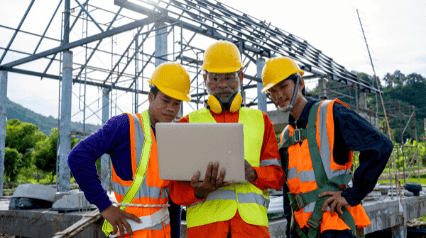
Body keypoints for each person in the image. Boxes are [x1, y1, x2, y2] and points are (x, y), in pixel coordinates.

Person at [261, 56, 393, 238]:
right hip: (301, 229)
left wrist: (352, 195)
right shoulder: (286, 135)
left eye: (283, 86)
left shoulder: (330, 112)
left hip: (334, 227)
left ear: (300, 83)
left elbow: (380, 145)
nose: (278, 96)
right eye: (272, 91)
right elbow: (289, 189)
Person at [169, 40, 285, 238]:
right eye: (214, 78)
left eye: (229, 78)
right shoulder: (187, 123)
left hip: (252, 231)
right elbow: (175, 192)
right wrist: (199, 191)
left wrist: (254, 173)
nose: (222, 85)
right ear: (205, 79)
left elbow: (277, 177)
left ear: (240, 77)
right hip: (207, 232)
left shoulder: (261, 121)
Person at [68, 62, 191, 238]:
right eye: (165, 100)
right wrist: (105, 207)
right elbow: (78, 156)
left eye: (177, 103)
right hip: (131, 233)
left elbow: (172, 200)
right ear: (151, 97)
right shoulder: (126, 125)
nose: (171, 108)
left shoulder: (172, 136)